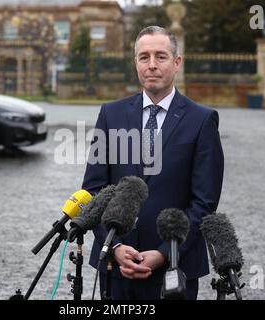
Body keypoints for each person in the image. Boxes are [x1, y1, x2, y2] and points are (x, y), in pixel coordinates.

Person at [82, 26, 224, 300]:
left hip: (174, 267)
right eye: (144, 57)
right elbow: (94, 191)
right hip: (116, 266)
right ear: (135, 62)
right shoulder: (110, 114)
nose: (152, 65)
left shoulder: (202, 120)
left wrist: (163, 252)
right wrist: (114, 247)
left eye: (160, 56)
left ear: (177, 62)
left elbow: (204, 202)